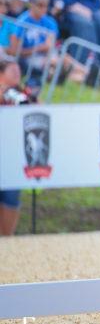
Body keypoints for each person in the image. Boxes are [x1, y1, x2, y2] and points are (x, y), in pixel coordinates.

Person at [9, 0, 86, 85]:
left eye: (46, 6)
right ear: (31, 4)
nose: (43, 9)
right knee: (54, 61)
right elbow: (14, 51)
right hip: (28, 59)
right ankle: (85, 76)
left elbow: (49, 46)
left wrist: (45, 48)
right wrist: (39, 48)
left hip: (49, 56)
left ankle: (87, 73)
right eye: (40, 5)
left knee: (63, 57)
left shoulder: (50, 22)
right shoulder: (21, 23)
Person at [1, 54, 35, 236]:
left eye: (18, 70)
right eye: (12, 70)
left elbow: (40, 111)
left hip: (13, 154)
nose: (17, 73)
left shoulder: (23, 93)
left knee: (11, 197)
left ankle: (8, 239)